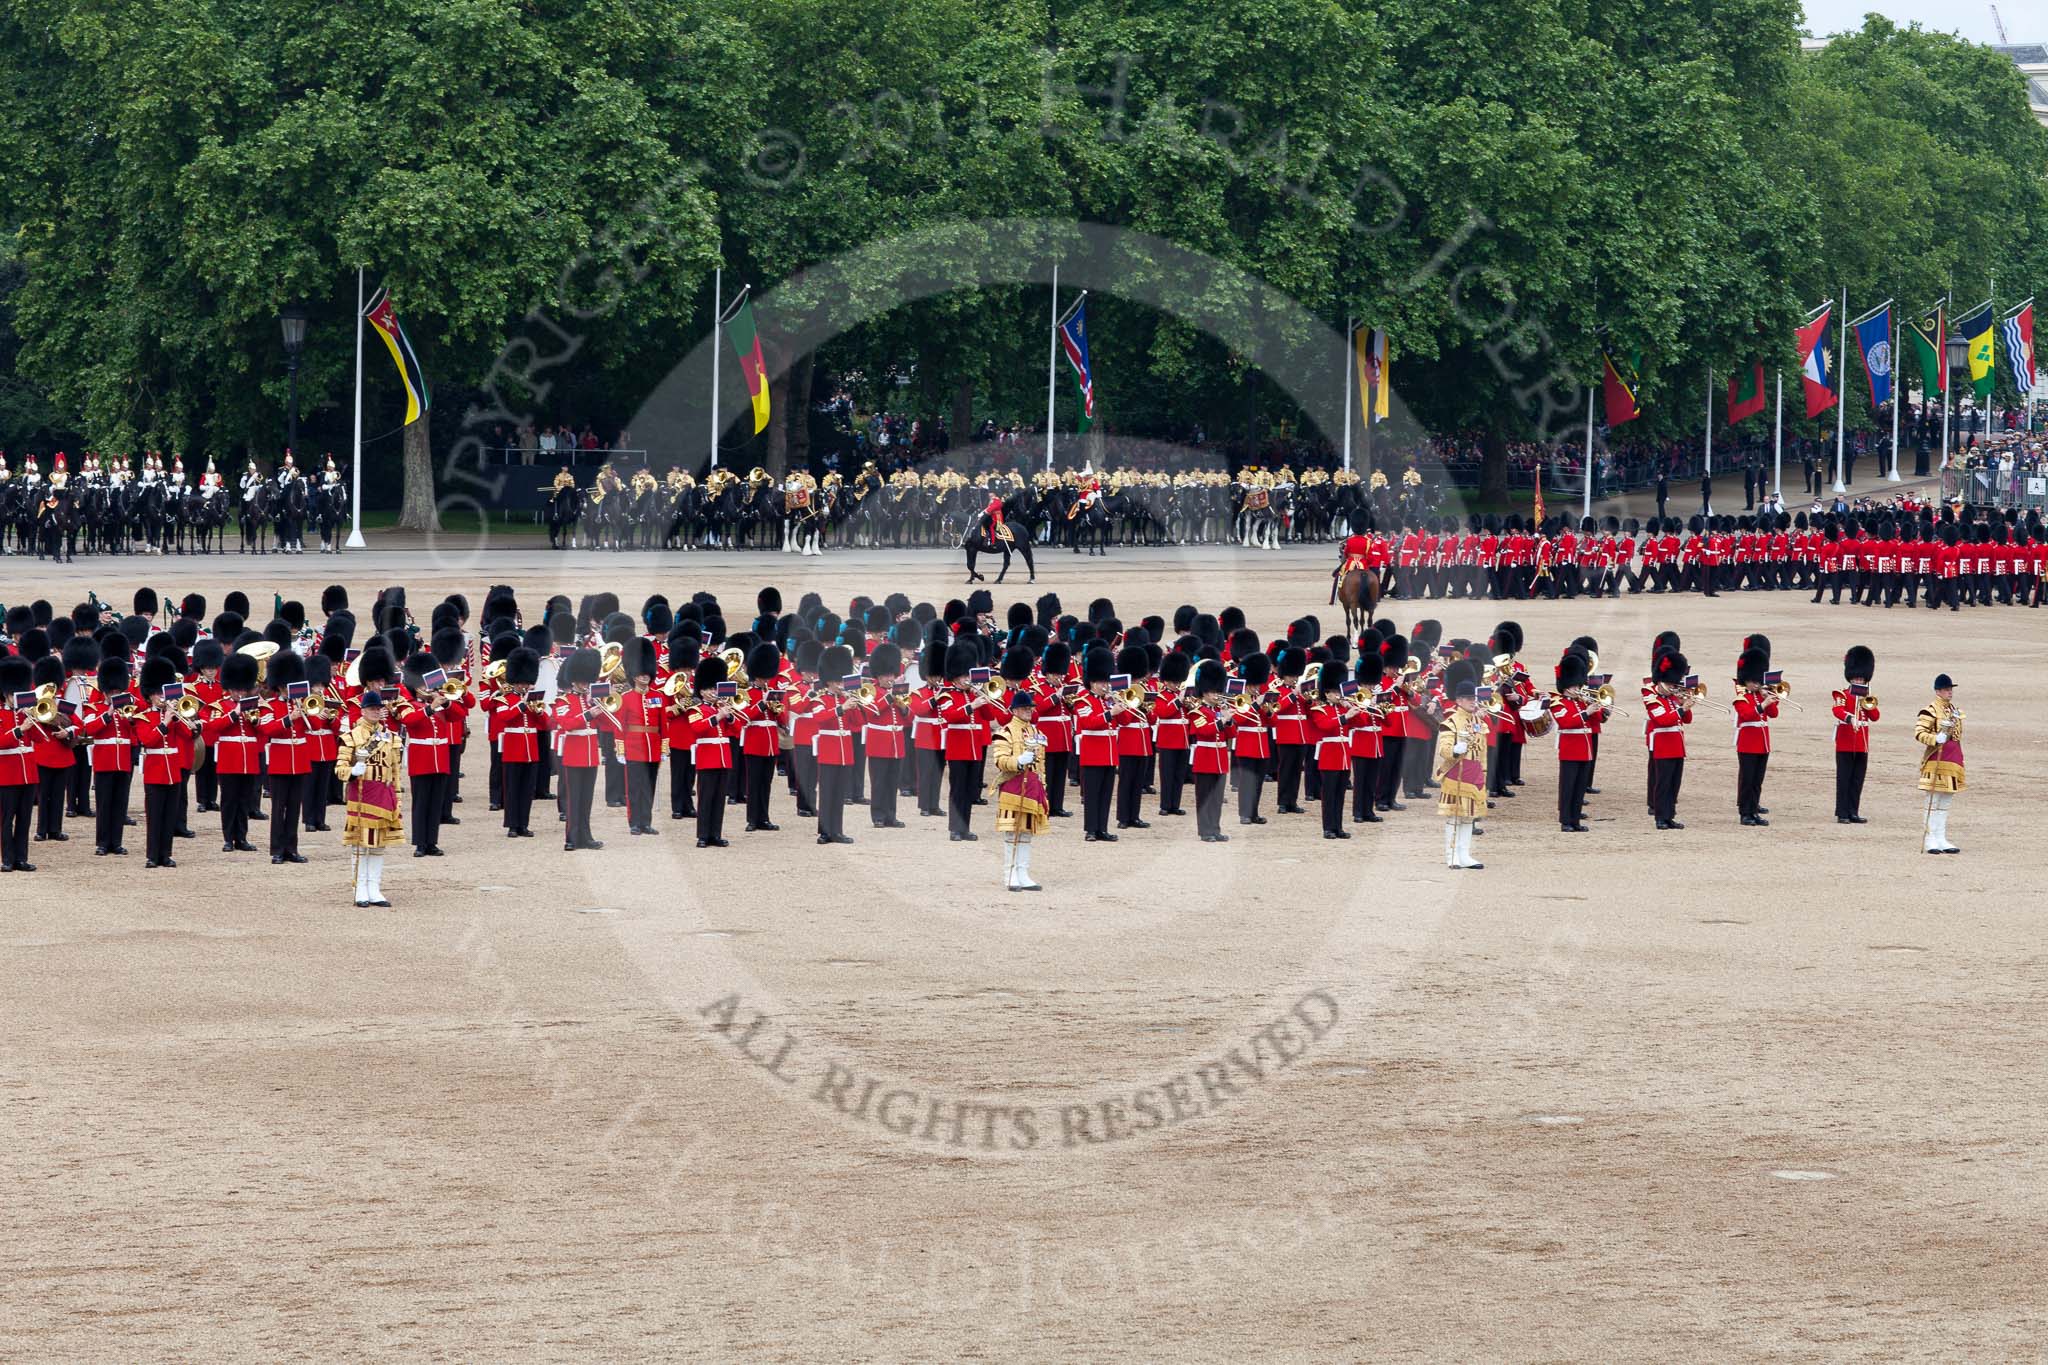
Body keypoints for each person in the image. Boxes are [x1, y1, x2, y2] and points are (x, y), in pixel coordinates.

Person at [338, 689, 406, 907]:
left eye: (378, 709)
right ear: (363, 711)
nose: (376, 712)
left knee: (378, 845)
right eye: (371, 709)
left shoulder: (391, 737)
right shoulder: (352, 737)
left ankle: (374, 888)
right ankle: (359, 888)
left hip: (383, 795)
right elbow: (339, 769)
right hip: (361, 793)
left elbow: (395, 771)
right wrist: (352, 771)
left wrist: (397, 797)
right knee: (360, 844)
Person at [990, 687, 1049, 889]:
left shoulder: (1036, 732)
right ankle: (1009, 874)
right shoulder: (1005, 732)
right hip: (1013, 786)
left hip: (1032, 786)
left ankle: (1023, 873)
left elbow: (1041, 763)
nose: (1029, 711)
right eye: (1024, 708)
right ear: (1014, 711)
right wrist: (1018, 761)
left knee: (1026, 832)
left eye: (1030, 708)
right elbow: (1000, 760)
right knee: (1012, 832)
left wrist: (1043, 784)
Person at [1432, 673, 1484, 870]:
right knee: (1454, 817)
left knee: (1468, 816)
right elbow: (1444, 749)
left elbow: (1481, 749)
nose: (1473, 701)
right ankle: (1452, 855)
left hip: (1474, 773)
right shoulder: (1451, 722)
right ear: (1459, 700)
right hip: (1457, 774)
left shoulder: (1478, 721)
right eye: (1469, 698)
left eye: (1474, 698)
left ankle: (1465, 855)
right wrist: (1454, 750)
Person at [1914, 673, 1964, 854]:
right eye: (1946, 689)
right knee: (1933, 801)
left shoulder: (1954, 710)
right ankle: (1930, 839)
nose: (1949, 692)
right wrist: (1935, 738)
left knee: (1945, 802)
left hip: (1953, 758)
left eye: (1950, 689)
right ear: (1938, 691)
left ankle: (1941, 838)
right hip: (1936, 758)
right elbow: (1919, 732)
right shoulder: (1931, 710)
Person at [1731, 645, 1778, 826]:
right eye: (1752, 681)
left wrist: (1769, 698)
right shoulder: (1741, 698)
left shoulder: (1760, 695)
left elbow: (1774, 714)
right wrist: (1763, 704)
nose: (1756, 684)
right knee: (1747, 780)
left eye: (1758, 680)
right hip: (1748, 744)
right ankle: (1745, 813)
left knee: (1757, 781)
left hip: (1763, 744)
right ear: (1746, 680)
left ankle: (1754, 811)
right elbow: (1746, 715)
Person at [1831, 645, 1877, 824]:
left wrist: (1866, 703)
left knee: (1857, 780)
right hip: (1845, 743)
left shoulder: (1866, 697)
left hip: (1861, 744)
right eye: (1856, 678)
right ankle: (1842, 813)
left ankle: (1853, 811)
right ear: (1850, 677)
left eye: (1861, 678)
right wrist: (1850, 718)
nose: (1859, 681)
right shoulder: (1842, 694)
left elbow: (1875, 716)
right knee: (1844, 779)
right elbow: (1837, 710)